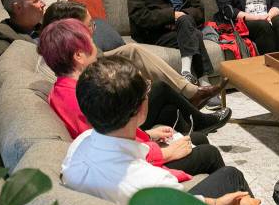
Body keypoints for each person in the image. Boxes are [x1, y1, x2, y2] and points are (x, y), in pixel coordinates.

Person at [61, 56, 279, 205]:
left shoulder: (79, 147)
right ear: (140, 110)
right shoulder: (151, 181)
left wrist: (214, 202)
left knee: (231, 176)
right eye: (146, 90)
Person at [38, 19, 226, 180]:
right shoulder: (82, 96)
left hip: (134, 150)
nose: (95, 47)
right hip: (132, 165)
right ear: (79, 55)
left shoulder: (67, 89)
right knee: (210, 154)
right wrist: (164, 153)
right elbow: (110, 149)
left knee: (190, 131)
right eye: (90, 41)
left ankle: (198, 125)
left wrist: (150, 136)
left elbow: (111, 134)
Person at [43, 0, 224, 110]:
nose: (93, 29)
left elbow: (196, 7)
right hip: (157, 31)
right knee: (161, 88)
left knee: (133, 50)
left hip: (177, 25)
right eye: (90, 25)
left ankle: (191, 91)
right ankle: (192, 95)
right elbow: (143, 16)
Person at [128, 0, 213, 85]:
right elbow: (139, 16)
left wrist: (182, 16)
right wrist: (171, 16)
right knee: (195, 34)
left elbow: (198, 9)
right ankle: (204, 82)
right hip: (158, 33)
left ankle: (187, 75)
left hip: (183, 28)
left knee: (190, 27)